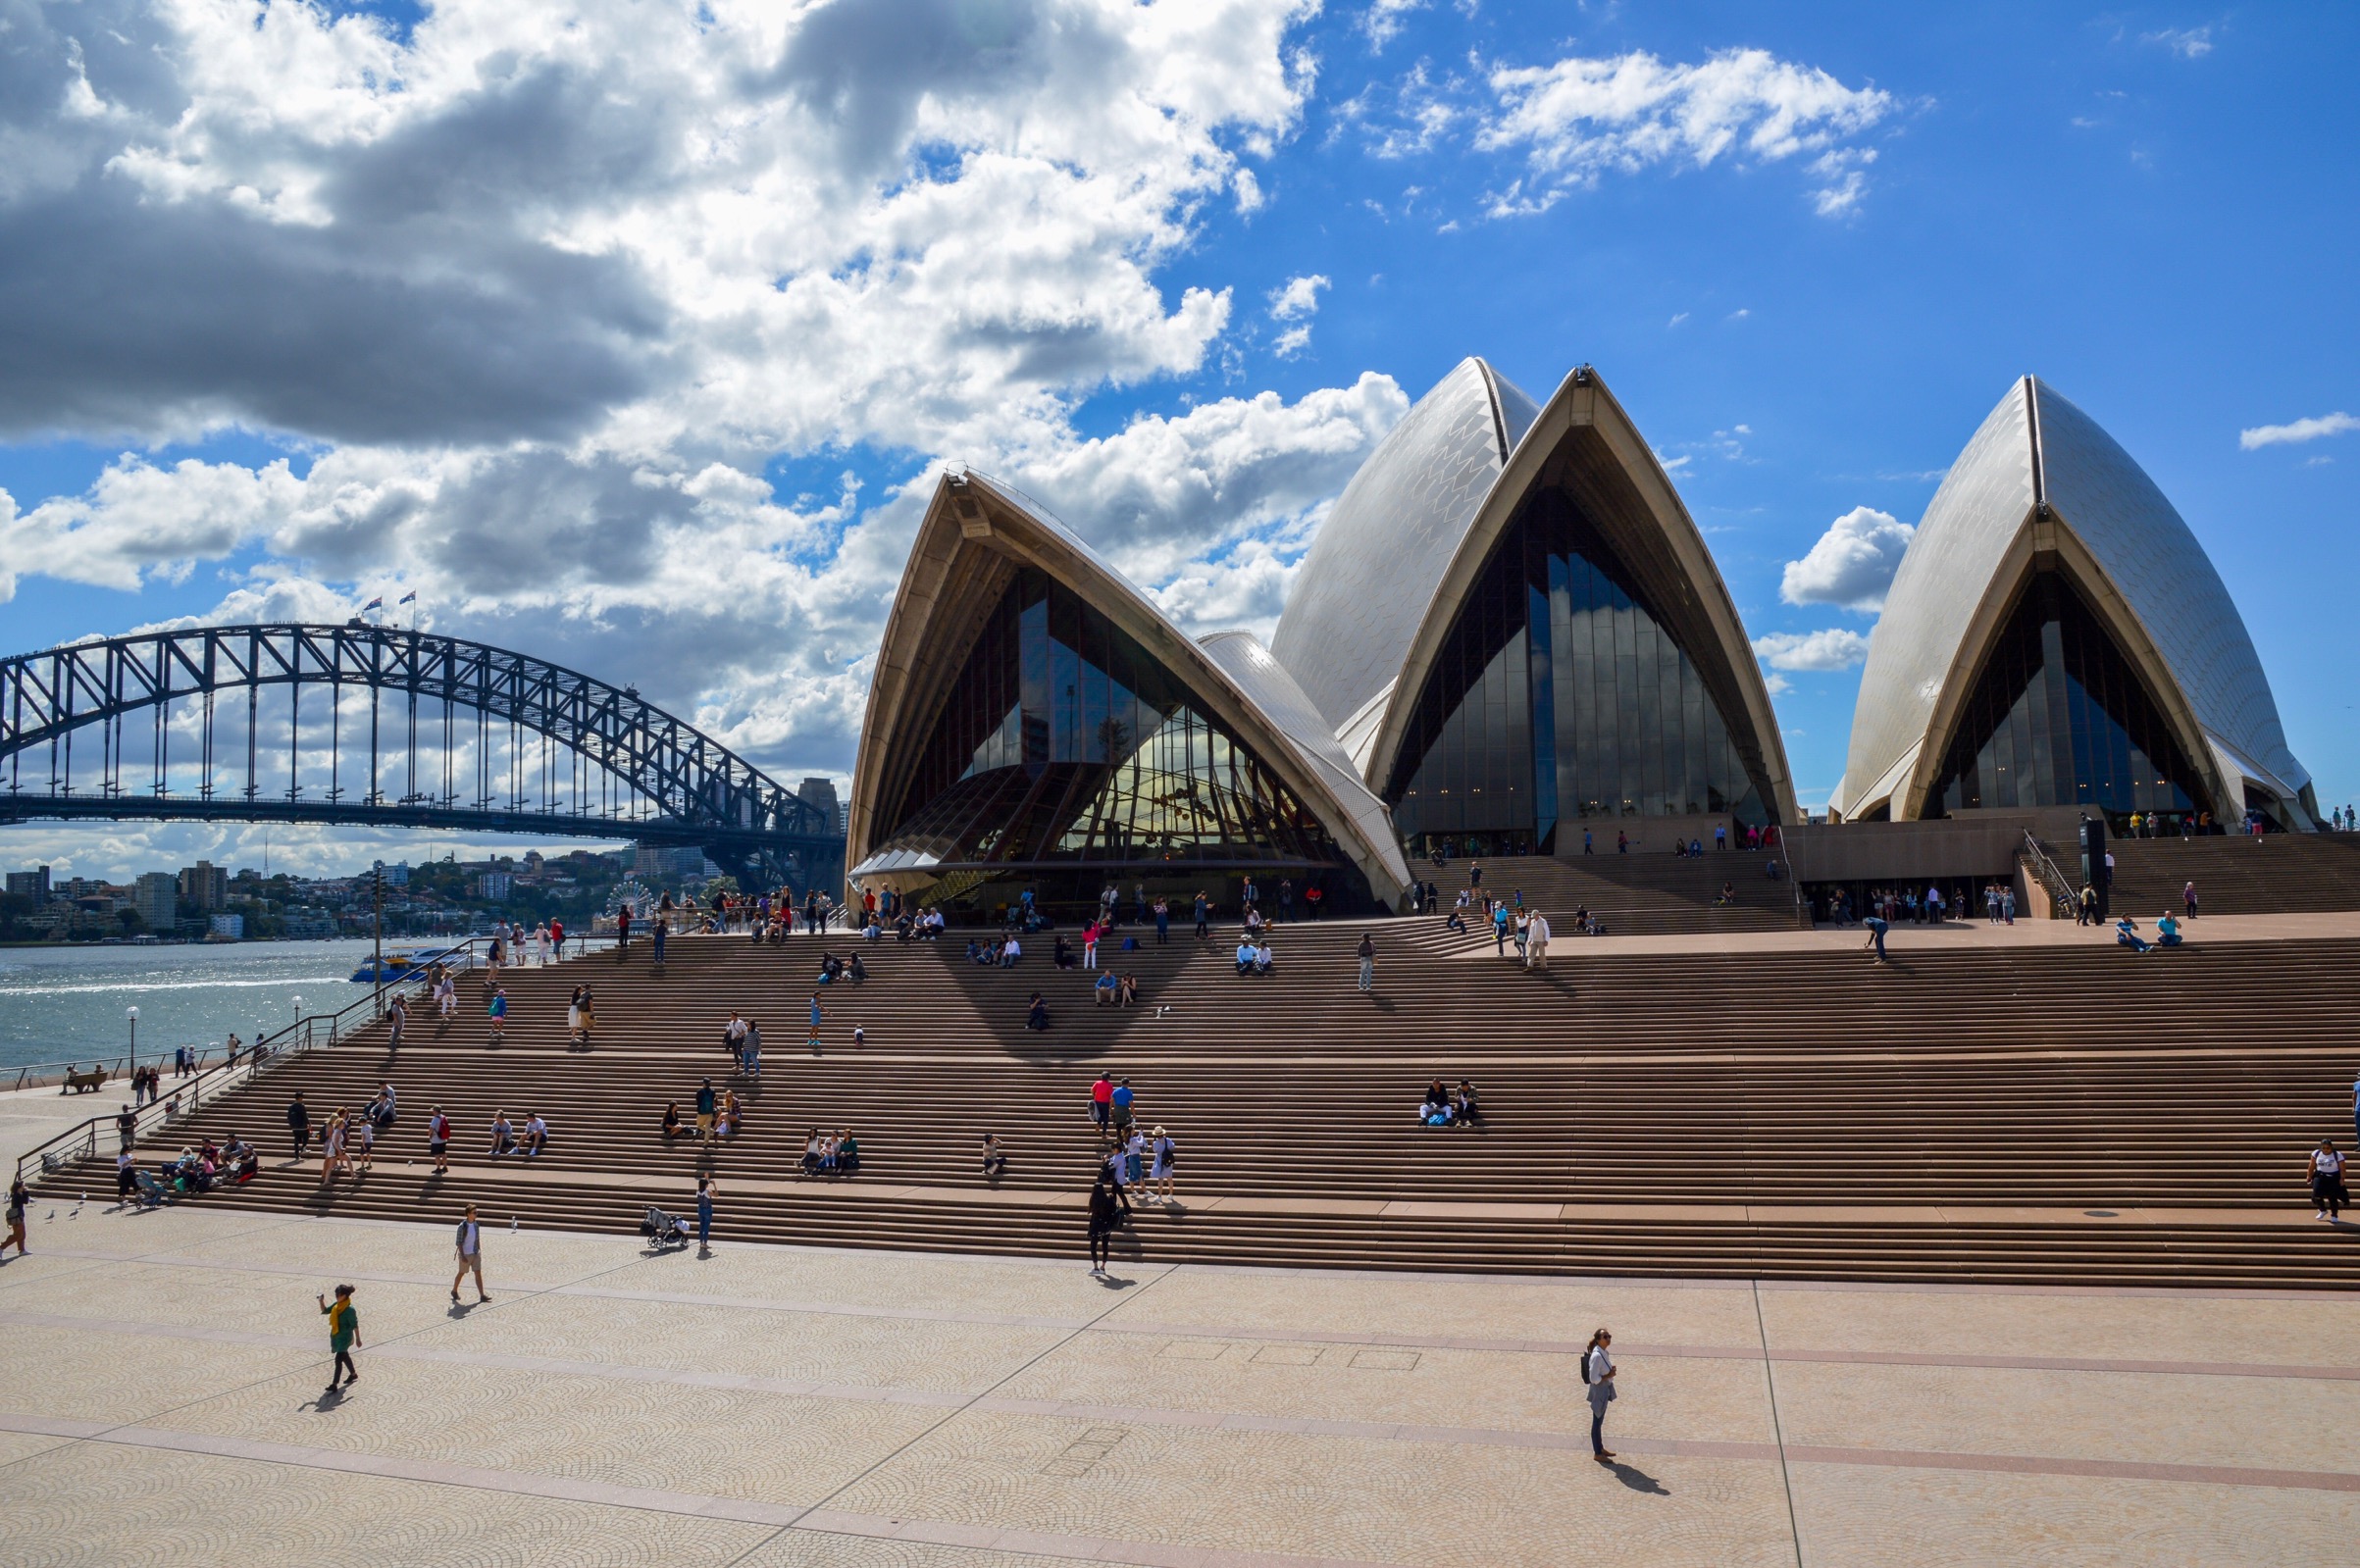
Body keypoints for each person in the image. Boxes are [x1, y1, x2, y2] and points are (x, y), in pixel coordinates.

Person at [319, 1284, 362, 1393]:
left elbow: (355, 1325)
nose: (337, 1297)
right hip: (337, 1336)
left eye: (339, 1295)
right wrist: (321, 1300)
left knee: (338, 1359)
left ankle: (334, 1384)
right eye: (336, 1294)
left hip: (345, 1338)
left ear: (345, 1295)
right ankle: (353, 1374)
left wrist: (358, 1339)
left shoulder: (350, 1310)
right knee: (345, 1356)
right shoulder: (337, 1305)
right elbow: (325, 1311)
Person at [1584, 1329, 1616, 1462]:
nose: (1608, 1338)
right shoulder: (1597, 1356)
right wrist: (1608, 1375)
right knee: (1597, 1422)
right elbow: (1593, 1378)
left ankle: (1600, 1448)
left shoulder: (1603, 1352)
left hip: (1605, 1389)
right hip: (1600, 1391)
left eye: (1609, 1336)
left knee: (1600, 1421)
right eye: (1605, 1336)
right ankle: (1597, 1453)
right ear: (1598, 1340)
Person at [452, 1203, 489, 1303]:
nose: (476, 1214)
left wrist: (479, 1251)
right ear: (468, 1214)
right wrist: (463, 1255)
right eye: (474, 1212)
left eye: (477, 1212)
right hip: (465, 1254)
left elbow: (477, 1238)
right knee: (461, 1273)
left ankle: (482, 1295)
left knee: (478, 1273)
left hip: (475, 1253)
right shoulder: (462, 1226)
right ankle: (454, 1290)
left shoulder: (476, 1225)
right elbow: (459, 1242)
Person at [2310, 1140, 2349, 1221]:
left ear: (2331, 1147)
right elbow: (2312, 1165)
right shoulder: (2316, 1153)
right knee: (2316, 1195)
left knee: (2332, 1197)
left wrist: (2342, 1178)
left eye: (2327, 1148)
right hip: (2320, 1176)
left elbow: (2342, 1168)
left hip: (2333, 1177)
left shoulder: (2337, 1155)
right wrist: (2309, 1175)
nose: (2325, 1150)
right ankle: (2322, 1210)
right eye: (2323, 1148)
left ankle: (2334, 1215)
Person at [3, 1176, 28, 1260]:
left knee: (22, 1234)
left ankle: (22, 1250)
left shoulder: (18, 1194)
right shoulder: (16, 1196)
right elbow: (25, 1201)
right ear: (19, 1187)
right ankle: (2, 1247)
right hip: (17, 1217)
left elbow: (25, 1201)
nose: (24, 1187)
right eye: (22, 1186)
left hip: (20, 1216)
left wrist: (25, 1193)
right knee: (18, 1235)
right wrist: (26, 1193)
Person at [1151, 1125, 1176, 1204]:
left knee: (1160, 1179)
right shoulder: (1168, 1140)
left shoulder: (1155, 1143)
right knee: (1169, 1178)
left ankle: (1160, 1196)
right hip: (1167, 1160)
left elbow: (1155, 1151)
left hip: (1159, 1161)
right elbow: (1173, 1147)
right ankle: (1171, 1194)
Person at [695, 1175, 715, 1251]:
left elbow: (704, 1188)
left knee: (701, 1226)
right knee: (706, 1227)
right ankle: (705, 1243)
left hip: (700, 1209)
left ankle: (701, 1243)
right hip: (707, 1210)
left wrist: (707, 1179)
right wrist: (714, 1185)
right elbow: (716, 1195)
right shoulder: (708, 1192)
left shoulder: (697, 1192)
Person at [695, 1078, 718, 1143]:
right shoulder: (713, 1091)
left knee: (699, 1126)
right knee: (708, 1126)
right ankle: (706, 1142)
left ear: (704, 1084)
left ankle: (713, 1132)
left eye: (702, 1083)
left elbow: (697, 1101)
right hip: (710, 1111)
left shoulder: (700, 1092)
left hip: (701, 1112)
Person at [1091, 1072, 1113, 1136]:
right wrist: (1112, 1105)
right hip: (1105, 1102)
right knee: (1105, 1118)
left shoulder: (1097, 1083)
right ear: (1108, 1078)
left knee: (1100, 1115)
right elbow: (1111, 1096)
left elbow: (1092, 1090)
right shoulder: (1109, 1085)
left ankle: (1098, 1123)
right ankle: (1104, 1134)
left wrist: (1094, 1095)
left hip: (1097, 1101)